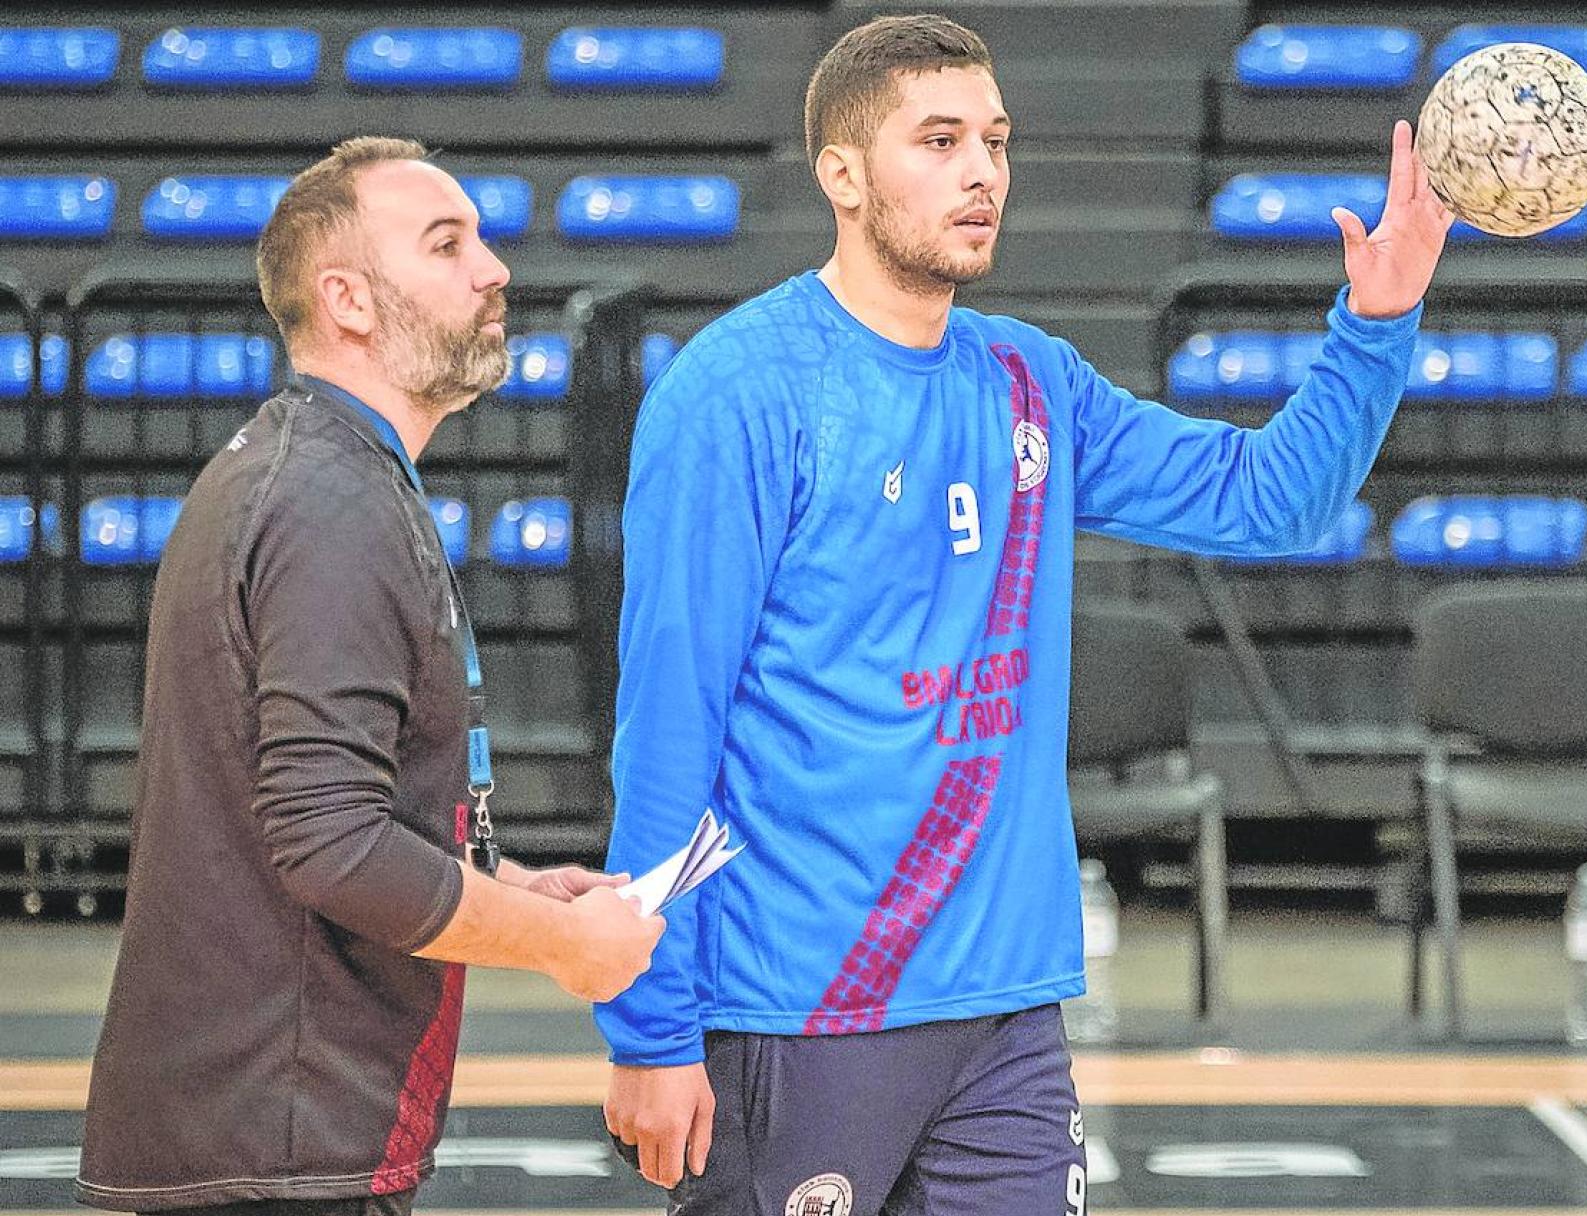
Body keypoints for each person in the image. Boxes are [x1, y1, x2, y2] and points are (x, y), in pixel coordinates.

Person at [601, 13, 1452, 1212]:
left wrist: (1377, 324)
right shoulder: (738, 393)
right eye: (938, 140)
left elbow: (1268, 501)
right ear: (841, 174)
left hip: (1004, 1015)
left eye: (994, 141)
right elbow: (667, 724)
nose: (981, 172)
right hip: (800, 1002)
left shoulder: (1031, 380)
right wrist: (650, 1027)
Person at [78, 136, 666, 1216]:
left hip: (259, 1139)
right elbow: (329, 842)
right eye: (447, 245)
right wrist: (562, 945)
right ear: (346, 299)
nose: (493, 269)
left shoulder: (314, 473)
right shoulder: (329, 505)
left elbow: (329, 817)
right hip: (273, 1150)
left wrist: (512, 887)